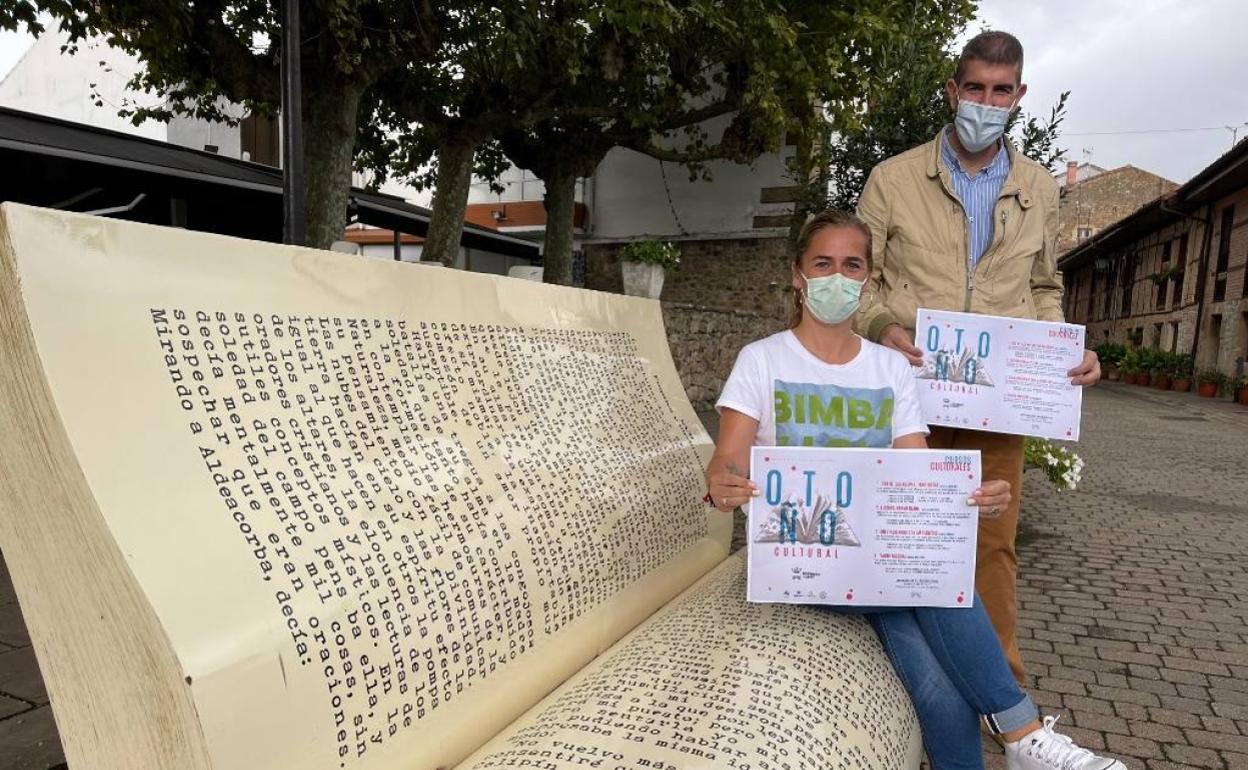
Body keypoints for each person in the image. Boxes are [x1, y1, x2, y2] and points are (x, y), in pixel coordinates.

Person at [705, 210, 1122, 770]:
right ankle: (1021, 733)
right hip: (805, 559)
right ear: (798, 277)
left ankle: (1017, 739)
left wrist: (971, 494)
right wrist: (722, 479)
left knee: (942, 687)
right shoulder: (762, 360)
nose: (837, 275)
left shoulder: (890, 368)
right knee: (938, 591)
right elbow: (729, 454)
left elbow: (916, 474)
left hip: (879, 568)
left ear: (869, 280)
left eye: (852, 264)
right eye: (822, 263)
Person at [855, 30, 1101, 683]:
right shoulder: (893, 179)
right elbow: (859, 282)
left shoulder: (1041, 189)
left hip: (998, 406)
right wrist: (882, 326)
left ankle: (999, 687)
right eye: (974, 88)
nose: (984, 103)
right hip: (910, 398)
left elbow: (1045, 287)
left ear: (1019, 97)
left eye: (1000, 91)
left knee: (993, 546)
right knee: (907, 539)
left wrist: (1063, 351)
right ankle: (901, 682)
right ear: (952, 90)